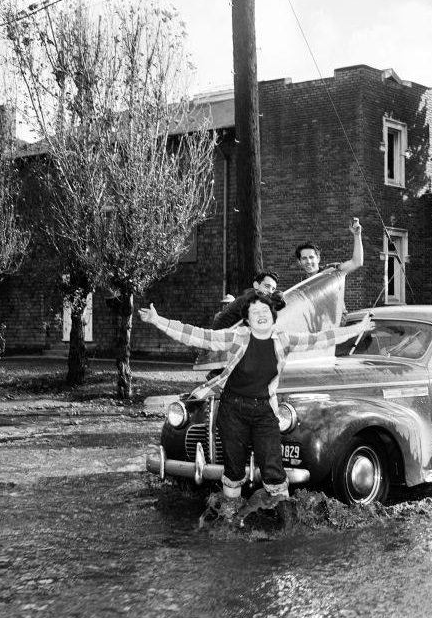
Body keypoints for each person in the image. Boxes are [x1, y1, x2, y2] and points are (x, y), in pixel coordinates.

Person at [139, 292, 373, 516]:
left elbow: (321, 338)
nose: (260, 314)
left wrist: (358, 329)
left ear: (273, 315)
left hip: (264, 410)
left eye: (265, 310)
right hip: (233, 410)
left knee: (273, 467)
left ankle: (283, 515)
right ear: (247, 320)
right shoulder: (238, 337)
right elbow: (199, 336)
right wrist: (158, 320)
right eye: (254, 311)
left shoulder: (283, 339)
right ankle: (230, 516)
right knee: (233, 468)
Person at [295, 218, 364, 277]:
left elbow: (356, 262)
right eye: (304, 258)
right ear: (299, 262)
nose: (308, 261)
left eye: (311, 257)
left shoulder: (331, 270)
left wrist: (357, 235)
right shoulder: (302, 283)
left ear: (318, 258)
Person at [213, 271, 279, 331]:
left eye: (273, 289)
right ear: (256, 285)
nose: (270, 291)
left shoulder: (252, 295)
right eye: (267, 286)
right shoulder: (251, 298)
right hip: (224, 334)